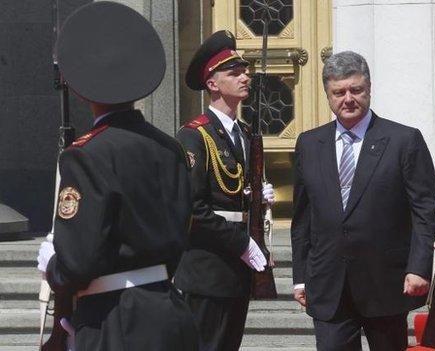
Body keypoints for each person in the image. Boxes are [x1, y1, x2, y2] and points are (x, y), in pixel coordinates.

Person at [36, 2, 198, 350]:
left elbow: (79, 262)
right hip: (169, 309)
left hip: (116, 321)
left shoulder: (86, 155)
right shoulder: (169, 148)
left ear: (80, 88)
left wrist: (52, 265)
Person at [291, 50, 435, 351]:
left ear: (368, 89)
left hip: (385, 283)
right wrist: (300, 277)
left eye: (356, 90)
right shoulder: (309, 143)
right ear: (327, 95)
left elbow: (424, 210)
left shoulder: (403, 141)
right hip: (329, 285)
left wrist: (420, 267)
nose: (348, 99)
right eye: (339, 92)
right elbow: (303, 218)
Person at [173, 30, 275, 351]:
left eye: (245, 71)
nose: (246, 77)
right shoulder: (194, 136)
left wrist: (259, 199)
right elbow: (193, 208)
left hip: (236, 272)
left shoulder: (244, 133)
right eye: (235, 73)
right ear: (213, 84)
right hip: (207, 270)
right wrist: (242, 243)